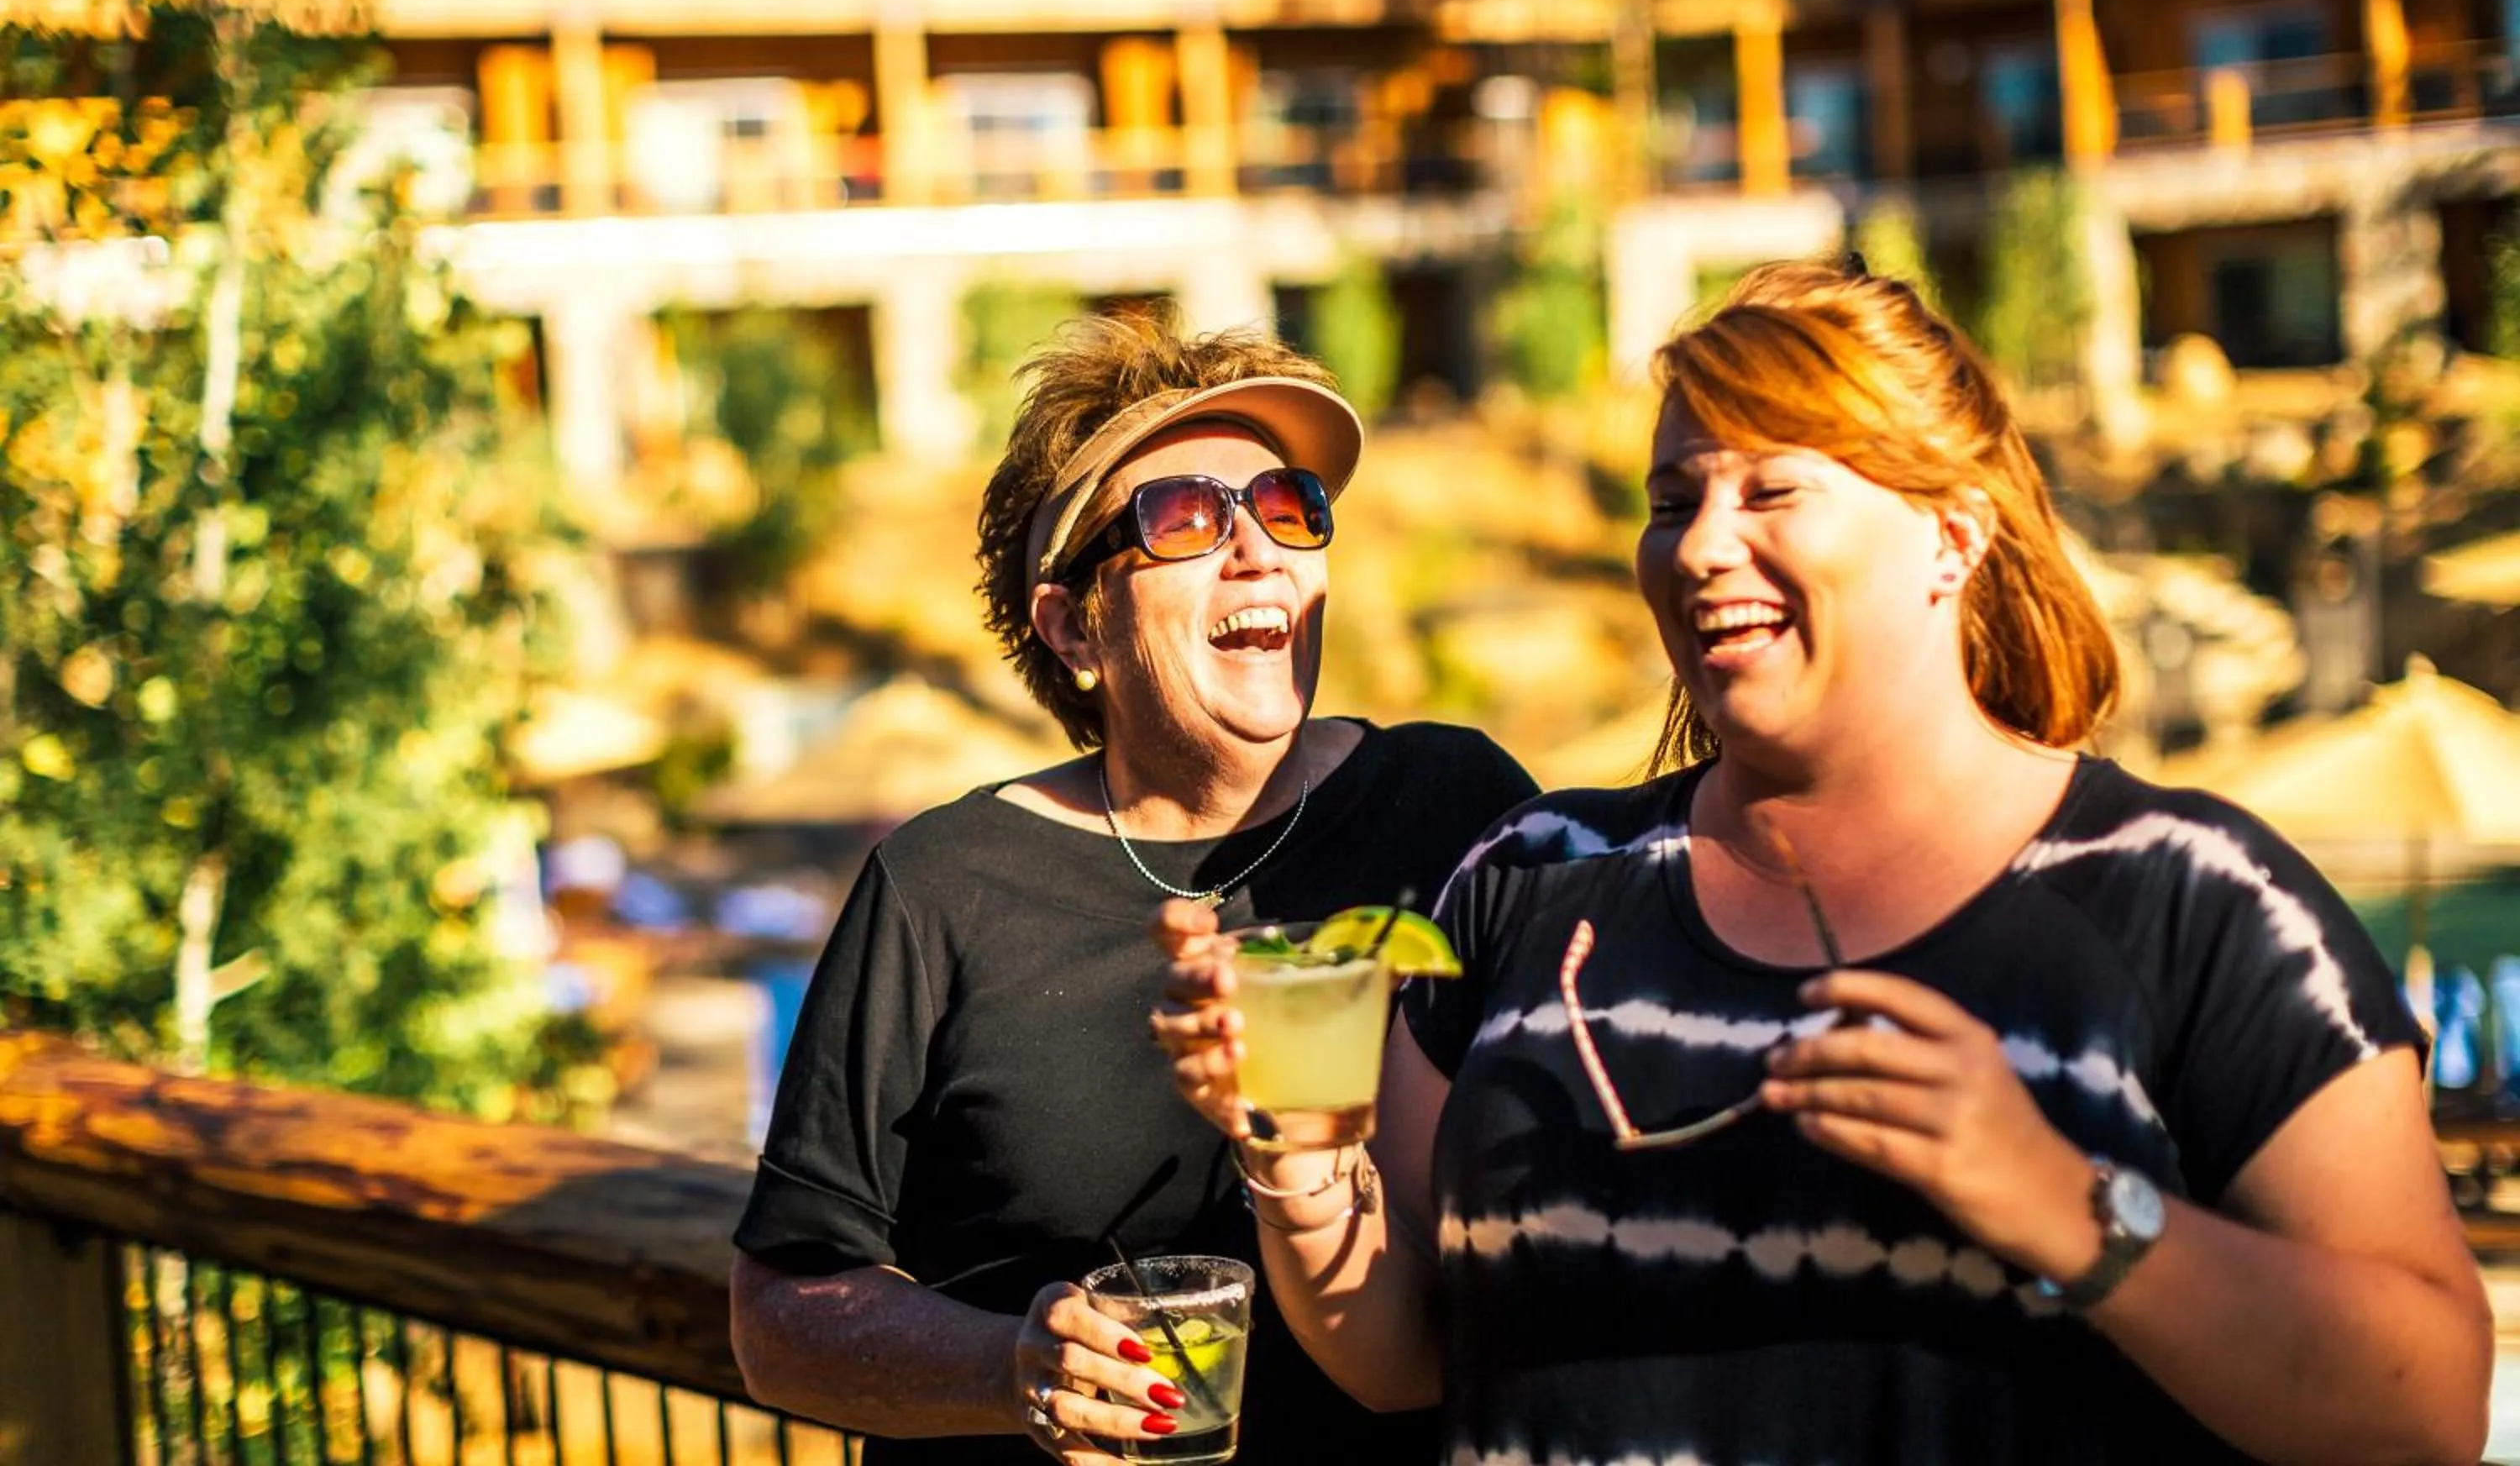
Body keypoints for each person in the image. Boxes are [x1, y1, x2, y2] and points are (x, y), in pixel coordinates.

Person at [1152, 260, 2491, 1464]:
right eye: (1673, 499)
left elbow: (2426, 1404)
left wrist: (2071, 1208)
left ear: (1954, 533)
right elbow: (1399, 1362)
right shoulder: (1526, 879)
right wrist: (1304, 1160)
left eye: (1771, 488)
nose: (1704, 542)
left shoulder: (2193, 899)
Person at [728, 308, 1538, 1466]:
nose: (1256, 547)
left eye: (1287, 507)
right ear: (1073, 628)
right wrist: (1008, 1367)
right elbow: (777, 1319)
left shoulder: (1456, 810)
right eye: (1185, 518)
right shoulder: (940, 886)